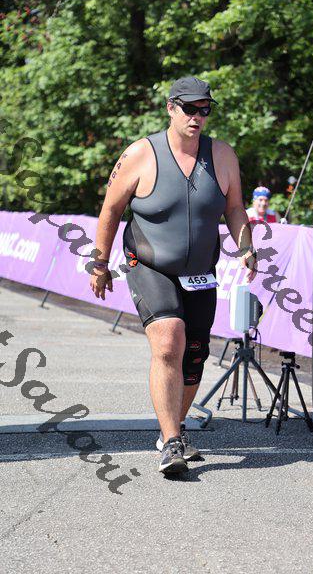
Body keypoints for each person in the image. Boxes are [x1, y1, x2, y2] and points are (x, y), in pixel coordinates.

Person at [89, 76, 256, 475]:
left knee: (195, 355)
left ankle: (173, 430)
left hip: (200, 271)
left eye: (205, 109)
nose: (197, 117)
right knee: (169, 342)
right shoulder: (140, 154)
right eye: (189, 109)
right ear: (170, 108)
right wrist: (99, 263)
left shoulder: (222, 155)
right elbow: (111, 210)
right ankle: (171, 443)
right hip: (149, 264)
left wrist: (246, 246)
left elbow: (234, 208)